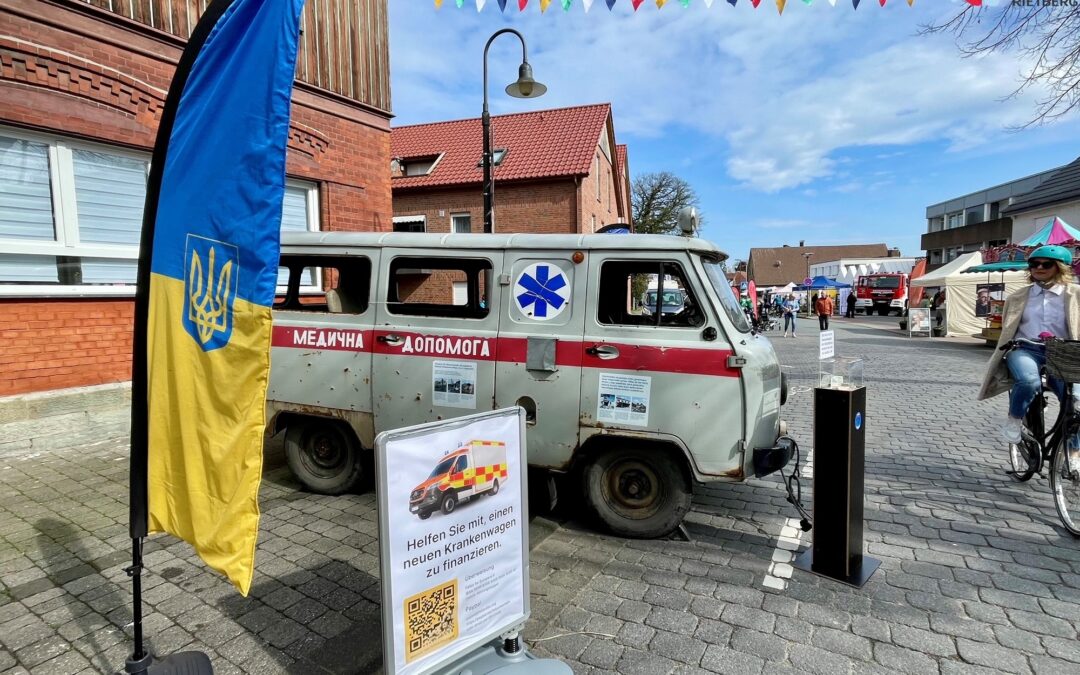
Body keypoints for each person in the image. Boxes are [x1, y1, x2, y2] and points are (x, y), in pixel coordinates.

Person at [978, 246, 1080, 458]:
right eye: (1034, 264)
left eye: (1046, 264)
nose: (1039, 268)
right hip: (1025, 348)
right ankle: (1014, 420)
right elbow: (1009, 328)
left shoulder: (1075, 295)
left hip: (1064, 353)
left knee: (1075, 403)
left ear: (1060, 268)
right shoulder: (1018, 297)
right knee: (1028, 381)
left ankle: (1073, 454)